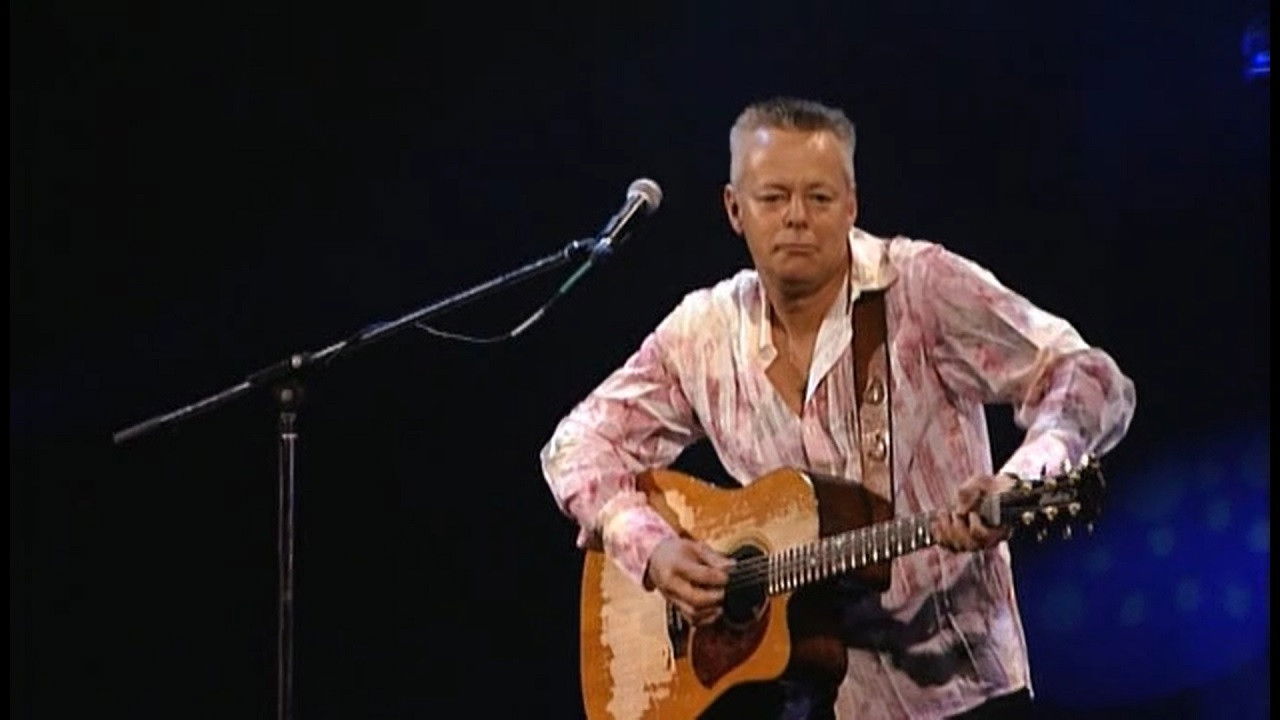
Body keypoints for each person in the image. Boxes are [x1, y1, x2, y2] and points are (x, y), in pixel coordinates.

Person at [539, 96, 1135, 719]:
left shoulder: (920, 289)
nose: (796, 217)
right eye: (773, 198)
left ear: (851, 206)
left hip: (964, 692)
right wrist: (652, 548)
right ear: (734, 209)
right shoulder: (701, 335)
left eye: (819, 198)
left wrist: (1021, 479)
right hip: (811, 696)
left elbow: (1089, 376)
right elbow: (575, 445)